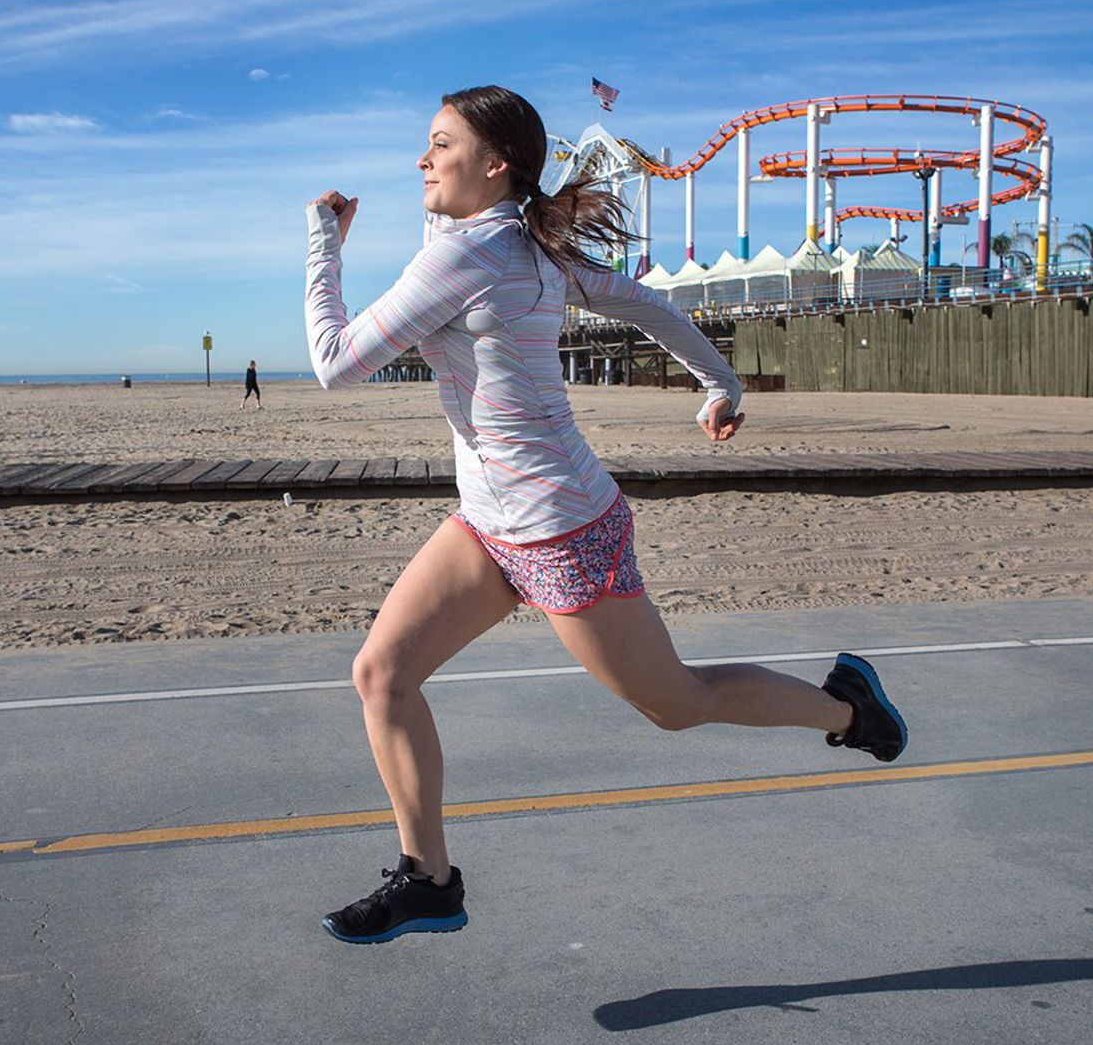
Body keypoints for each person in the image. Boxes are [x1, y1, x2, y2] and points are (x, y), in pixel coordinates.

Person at [305, 85, 907, 945]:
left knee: (676, 703)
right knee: (383, 675)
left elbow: (334, 363)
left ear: (496, 164)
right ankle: (428, 880)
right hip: (487, 524)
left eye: (440, 144)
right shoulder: (513, 240)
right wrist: (719, 382)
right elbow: (646, 302)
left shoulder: (482, 249)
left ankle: (850, 711)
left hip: (559, 526)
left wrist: (323, 244)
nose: (422, 159)